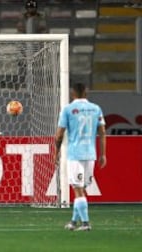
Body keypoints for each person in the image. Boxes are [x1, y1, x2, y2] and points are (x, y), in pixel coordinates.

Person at [55, 83, 107, 231]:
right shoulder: (96, 109)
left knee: (77, 190)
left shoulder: (67, 109)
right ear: (86, 93)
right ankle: (73, 222)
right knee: (81, 189)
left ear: (72, 94)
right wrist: (103, 154)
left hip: (75, 154)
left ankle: (85, 223)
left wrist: (56, 152)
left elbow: (59, 135)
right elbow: (102, 132)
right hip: (90, 154)